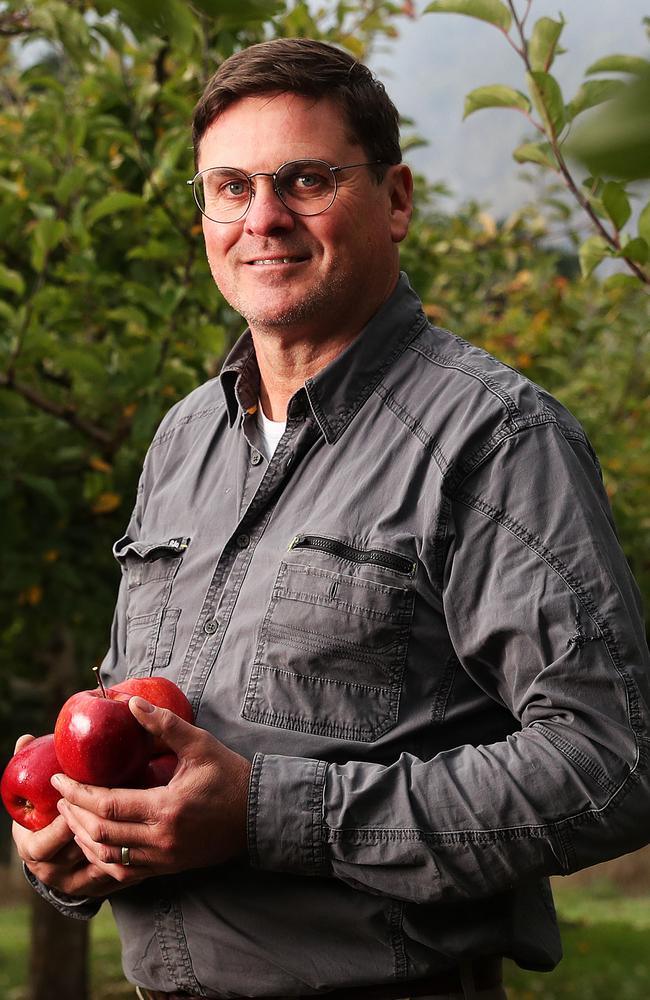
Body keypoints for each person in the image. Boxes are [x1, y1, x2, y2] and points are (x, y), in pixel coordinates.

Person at [13, 37, 650, 1000]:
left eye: (304, 180)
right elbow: (145, 726)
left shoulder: (493, 438)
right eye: (229, 188)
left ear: (395, 200)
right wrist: (77, 840)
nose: (261, 219)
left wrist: (274, 813)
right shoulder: (185, 439)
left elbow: (614, 761)